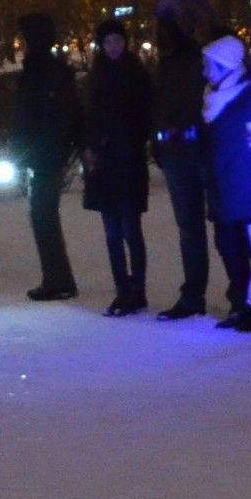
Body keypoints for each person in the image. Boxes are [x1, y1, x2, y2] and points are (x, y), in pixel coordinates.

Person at [149, 0, 217, 320]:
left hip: (194, 148)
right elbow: (161, 106)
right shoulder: (171, 61)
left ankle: (238, 293)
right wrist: (159, 141)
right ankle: (194, 293)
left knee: (216, 224)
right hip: (177, 149)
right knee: (190, 226)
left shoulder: (195, 59)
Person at [202, 34, 251, 332]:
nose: (205, 72)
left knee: (245, 245)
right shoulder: (214, 98)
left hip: (246, 185)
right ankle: (242, 302)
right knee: (228, 245)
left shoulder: (250, 96)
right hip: (223, 183)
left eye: (210, 65)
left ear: (226, 66)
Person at [82, 17, 153, 315]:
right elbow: (88, 117)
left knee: (130, 229)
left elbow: (145, 115)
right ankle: (122, 289)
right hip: (105, 163)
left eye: (118, 41)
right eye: (108, 42)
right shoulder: (96, 76)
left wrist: (132, 139)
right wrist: (91, 147)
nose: (113, 47)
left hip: (128, 161)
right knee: (112, 231)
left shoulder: (136, 74)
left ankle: (137, 290)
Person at [8, 13, 81, 302]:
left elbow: (53, 114)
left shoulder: (46, 71)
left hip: (46, 154)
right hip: (42, 152)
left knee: (43, 215)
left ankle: (58, 279)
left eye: (24, 38)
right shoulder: (39, 69)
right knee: (42, 215)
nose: (21, 43)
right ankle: (56, 277)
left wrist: (39, 146)